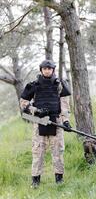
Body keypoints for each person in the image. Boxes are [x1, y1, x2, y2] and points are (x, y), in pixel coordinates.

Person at [20, 59, 72, 188]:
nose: (47, 71)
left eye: (49, 69)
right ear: (41, 70)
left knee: (58, 153)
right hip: (39, 122)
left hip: (56, 122)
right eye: (45, 69)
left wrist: (66, 121)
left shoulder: (59, 85)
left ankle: (59, 180)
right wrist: (36, 111)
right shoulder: (34, 85)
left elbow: (64, 105)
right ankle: (35, 181)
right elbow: (23, 103)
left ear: (53, 70)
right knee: (38, 152)